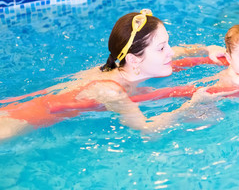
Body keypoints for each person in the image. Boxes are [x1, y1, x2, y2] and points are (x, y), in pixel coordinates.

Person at [0, 9, 226, 140]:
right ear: (135, 59)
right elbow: (148, 131)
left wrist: (207, 48)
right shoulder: (111, 90)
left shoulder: (123, 64)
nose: (170, 52)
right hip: (16, 124)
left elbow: (179, 51)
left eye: (167, 44)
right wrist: (192, 105)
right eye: (161, 48)